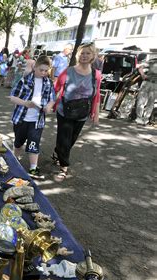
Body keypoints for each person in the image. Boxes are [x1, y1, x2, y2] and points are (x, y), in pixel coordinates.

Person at [52, 43, 101, 181]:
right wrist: (51, 103)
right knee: (65, 138)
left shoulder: (96, 75)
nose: (84, 56)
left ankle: (58, 152)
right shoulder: (68, 71)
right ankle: (64, 167)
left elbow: (96, 95)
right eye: (82, 53)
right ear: (78, 55)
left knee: (71, 139)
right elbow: (56, 88)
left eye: (88, 53)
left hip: (82, 112)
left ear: (92, 56)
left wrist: (95, 114)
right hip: (65, 111)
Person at [7, 55, 56, 179]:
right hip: (21, 118)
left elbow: (52, 99)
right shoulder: (24, 80)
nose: (44, 73)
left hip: (37, 120)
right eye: (41, 70)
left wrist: (49, 107)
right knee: (18, 143)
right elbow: (12, 97)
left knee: (34, 143)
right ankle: (15, 161)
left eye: (46, 71)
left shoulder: (49, 82)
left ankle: (33, 168)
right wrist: (25, 103)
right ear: (35, 67)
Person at [135, 58, 157, 125]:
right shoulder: (153, 61)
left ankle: (145, 119)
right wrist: (143, 75)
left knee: (151, 103)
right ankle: (139, 118)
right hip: (147, 83)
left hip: (155, 85)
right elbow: (139, 66)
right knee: (141, 101)